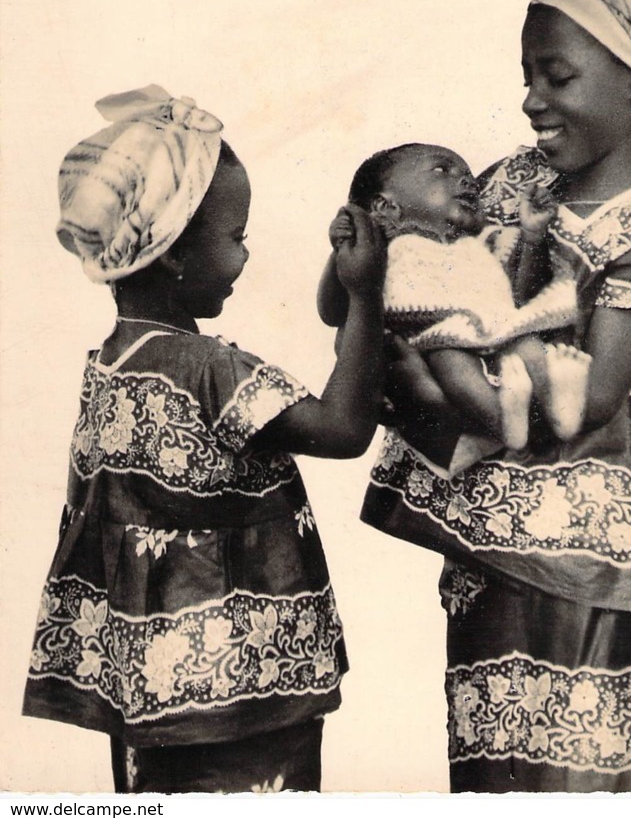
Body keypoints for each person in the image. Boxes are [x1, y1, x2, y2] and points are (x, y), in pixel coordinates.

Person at [362, 0, 631, 792]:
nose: (529, 101)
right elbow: (418, 262)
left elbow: (591, 399)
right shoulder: (515, 182)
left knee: (577, 765)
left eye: (556, 78)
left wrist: (428, 374)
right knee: (497, 761)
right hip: (488, 536)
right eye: (527, 75)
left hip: (580, 546)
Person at [22, 84, 386, 794]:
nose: (245, 256)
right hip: (239, 689)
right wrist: (366, 295)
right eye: (235, 236)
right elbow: (344, 431)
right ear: (172, 254)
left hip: (149, 687)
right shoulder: (209, 370)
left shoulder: (111, 366)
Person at [319, 143, 590, 463]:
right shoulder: (382, 247)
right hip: (434, 336)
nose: (466, 181)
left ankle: (559, 413)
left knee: (529, 346)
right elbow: (333, 311)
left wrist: (531, 236)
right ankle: (504, 422)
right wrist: (340, 252)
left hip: (498, 327)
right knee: (452, 365)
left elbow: (517, 295)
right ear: (385, 206)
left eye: (469, 177)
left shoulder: (485, 242)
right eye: (442, 170)